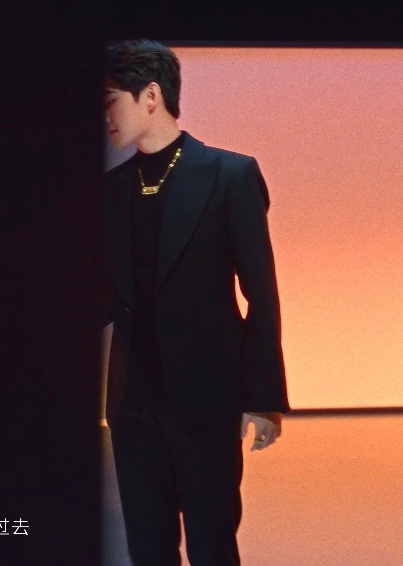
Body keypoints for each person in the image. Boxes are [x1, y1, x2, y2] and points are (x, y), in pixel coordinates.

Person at [102, 39, 289, 565]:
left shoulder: (230, 175)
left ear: (151, 96)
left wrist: (264, 397)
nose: (105, 117)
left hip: (206, 399)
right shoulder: (111, 190)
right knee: (148, 548)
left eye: (111, 101)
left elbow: (261, 293)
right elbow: (103, 297)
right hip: (132, 403)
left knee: (212, 544)